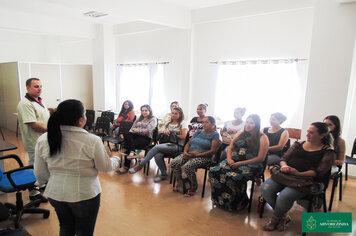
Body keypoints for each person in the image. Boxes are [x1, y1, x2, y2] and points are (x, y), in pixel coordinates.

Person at [34, 99, 120, 236]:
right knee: (84, 232)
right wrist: (117, 158)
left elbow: (40, 175)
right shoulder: (91, 140)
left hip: (55, 194)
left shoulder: (44, 139)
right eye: (85, 113)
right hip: (84, 195)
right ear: (80, 120)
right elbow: (105, 167)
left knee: (66, 227)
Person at [261, 122, 335, 231]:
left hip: (307, 181)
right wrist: (285, 166)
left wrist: (298, 174)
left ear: (322, 135)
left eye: (312, 132)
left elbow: (319, 172)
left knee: (284, 196)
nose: (307, 134)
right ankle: (284, 216)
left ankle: (275, 219)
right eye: (308, 132)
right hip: (287, 175)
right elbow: (283, 159)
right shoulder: (299, 144)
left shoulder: (328, 151)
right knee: (265, 189)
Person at [209, 114, 269, 211]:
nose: (248, 125)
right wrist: (229, 159)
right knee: (214, 171)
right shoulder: (240, 133)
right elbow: (230, 148)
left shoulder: (262, 137)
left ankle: (238, 203)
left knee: (234, 177)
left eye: (251, 123)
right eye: (247, 122)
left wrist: (240, 164)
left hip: (252, 164)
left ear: (257, 125)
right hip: (233, 161)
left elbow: (261, 158)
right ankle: (220, 201)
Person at [129, 107, 188, 182]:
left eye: (176, 113)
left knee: (156, 147)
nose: (173, 115)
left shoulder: (183, 123)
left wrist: (172, 134)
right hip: (167, 145)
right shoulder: (169, 123)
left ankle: (140, 165)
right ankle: (164, 174)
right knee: (158, 155)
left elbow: (184, 136)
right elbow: (163, 134)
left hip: (178, 146)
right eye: (172, 113)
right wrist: (165, 133)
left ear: (180, 114)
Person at [17, 78, 50, 202]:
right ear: (28, 88)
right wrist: (51, 131)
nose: (40, 88)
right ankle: (33, 193)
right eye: (36, 86)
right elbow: (34, 124)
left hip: (43, 140)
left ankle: (40, 185)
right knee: (34, 167)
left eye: (41, 86)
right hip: (34, 142)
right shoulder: (25, 103)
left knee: (42, 166)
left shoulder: (39, 101)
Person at [171, 116, 221, 197]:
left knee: (188, 166)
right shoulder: (198, 132)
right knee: (174, 163)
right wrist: (185, 152)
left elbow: (212, 151)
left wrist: (198, 155)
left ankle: (194, 186)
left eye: (206, 122)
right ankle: (180, 182)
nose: (204, 124)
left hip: (205, 157)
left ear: (213, 124)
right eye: (203, 122)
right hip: (190, 154)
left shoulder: (216, 135)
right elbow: (188, 143)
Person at [117, 104, 157, 174]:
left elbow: (149, 130)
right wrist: (133, 131)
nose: (144, 112)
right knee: (126, 134)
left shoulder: (153, 119)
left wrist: (139, 130)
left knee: (128, 144)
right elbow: (132, 128)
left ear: (149, 111)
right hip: (136, 135)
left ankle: (126, 167)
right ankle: (132, 152)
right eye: (142, 110)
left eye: (146, 110)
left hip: (146, 138)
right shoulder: (139, 118)